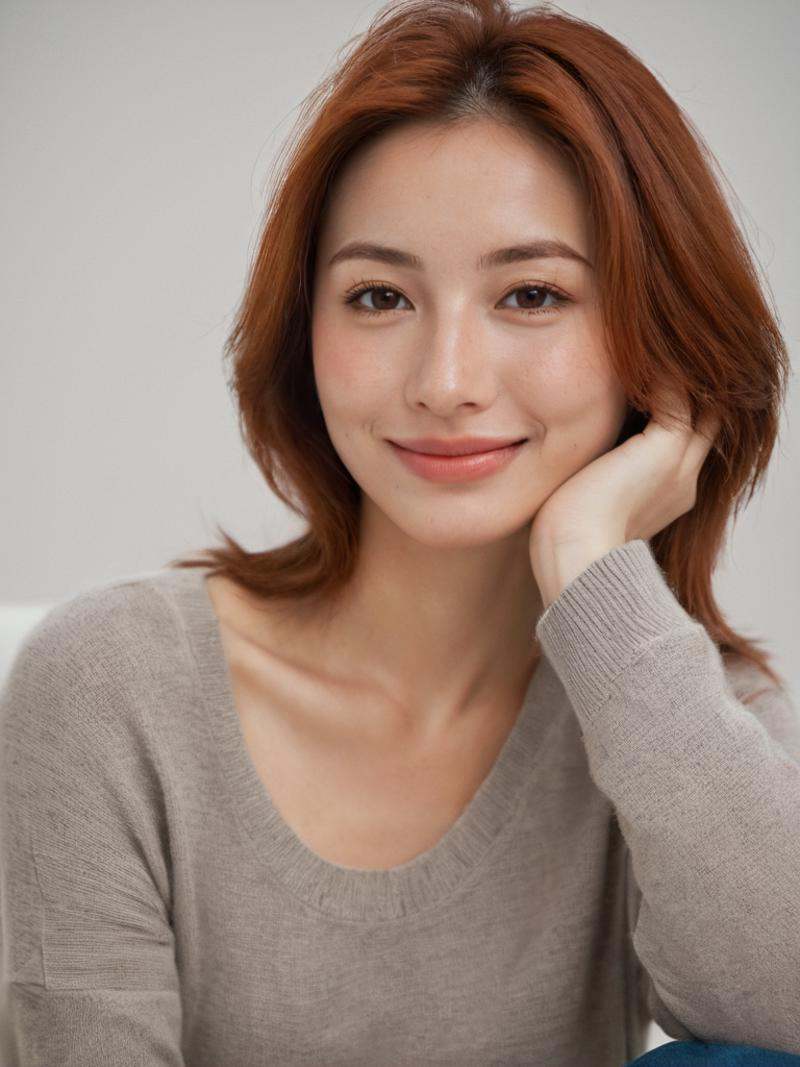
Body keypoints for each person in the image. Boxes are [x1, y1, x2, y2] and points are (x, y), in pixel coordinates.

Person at [1, 1, 798, 1064]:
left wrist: (591, 561)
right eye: (378, 296)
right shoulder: (113, 689)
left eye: (529, 293)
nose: (446, 382)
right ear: (304, 332)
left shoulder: (676, 718)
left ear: (655, 347)